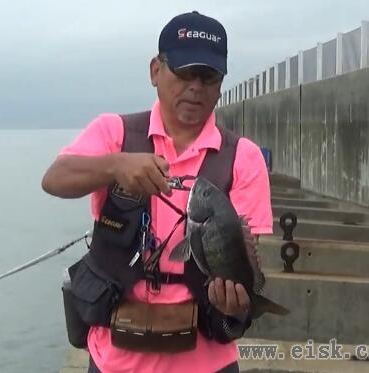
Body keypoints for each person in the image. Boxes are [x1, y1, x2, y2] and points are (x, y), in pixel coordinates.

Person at [42, 11, 272, 373]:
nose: (195, 87)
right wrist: (115, 165)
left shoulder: (244, 157)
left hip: (208, 364)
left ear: (220, 83)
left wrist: (236, 303)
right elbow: (54, 179)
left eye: (208, 76)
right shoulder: (114, 132)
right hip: (113, 360)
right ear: (155, 71)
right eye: (184, 72)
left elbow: (242, 253)